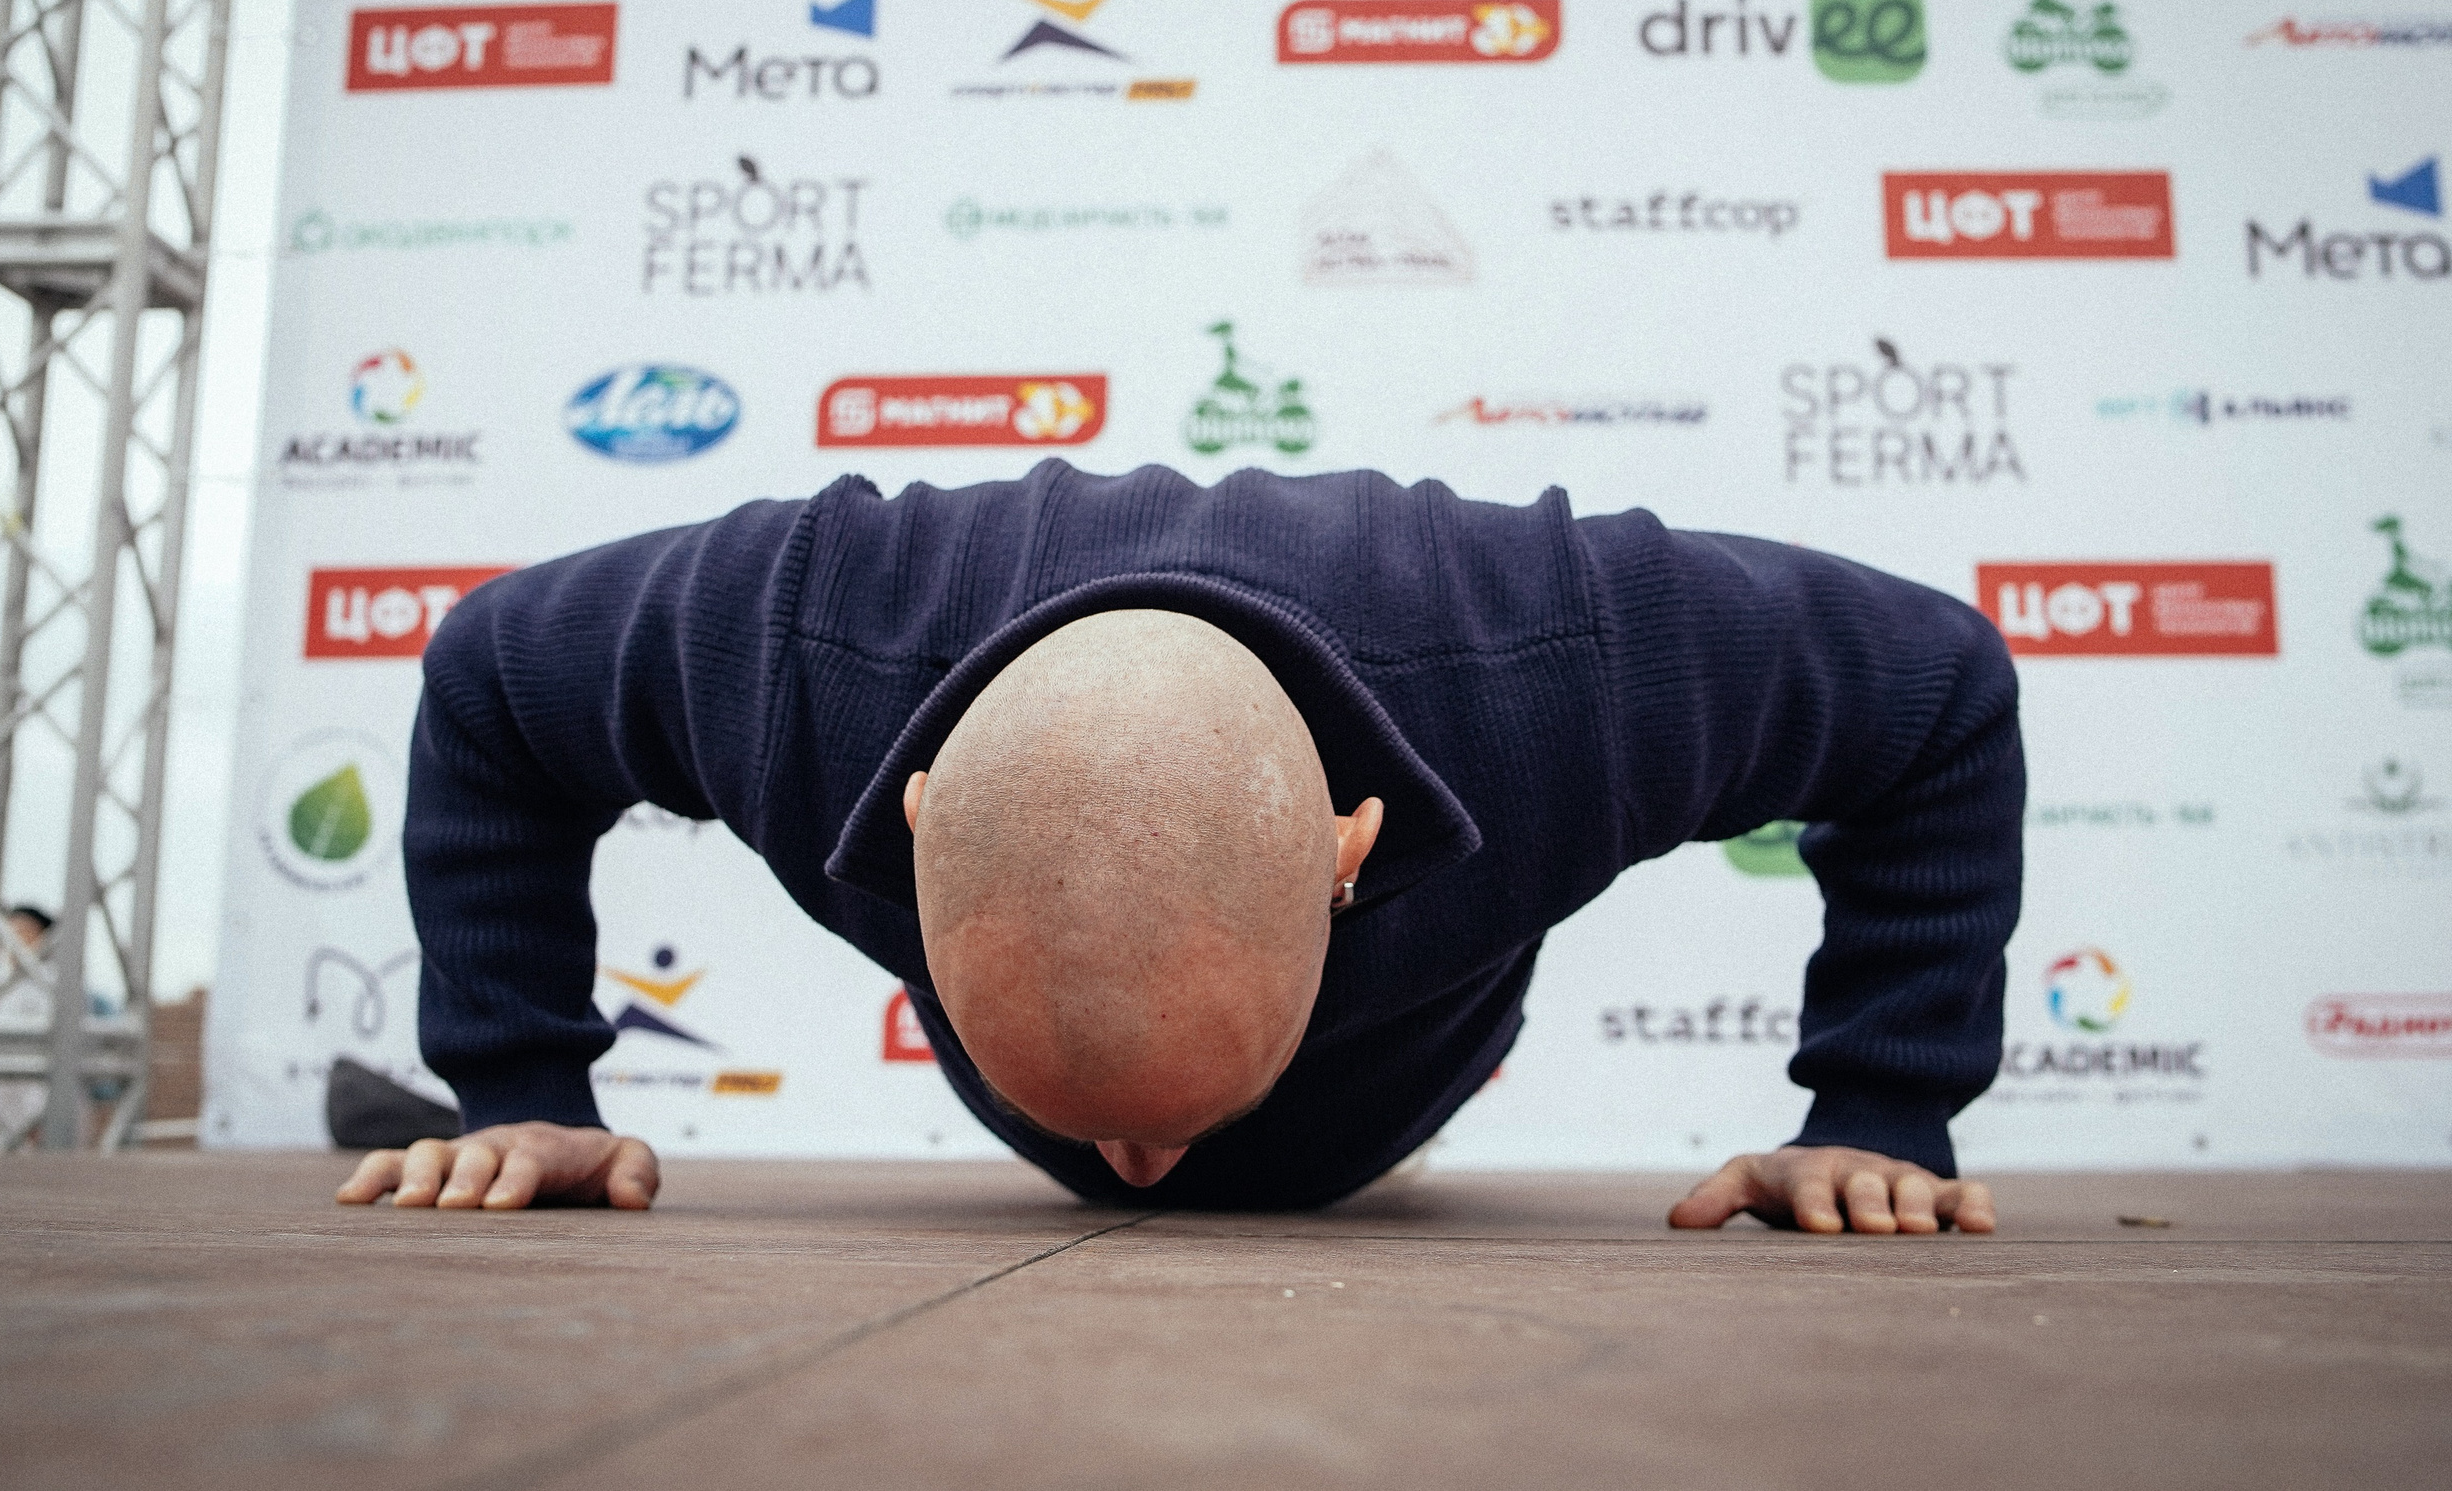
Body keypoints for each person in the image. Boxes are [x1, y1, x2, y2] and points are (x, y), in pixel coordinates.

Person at [339, 461, 2019, 1233]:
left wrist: (1878, 1109)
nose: (1145, 1182)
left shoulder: (1582, 668)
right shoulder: (784, 649)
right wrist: (520, 1092)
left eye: (1161, 1128)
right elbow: (489, 683)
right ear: (913, 821)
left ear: (1353, 849)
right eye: (1110, 1134)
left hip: (1400, 1060)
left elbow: (1940, 694)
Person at [0, 905, 55, 1152]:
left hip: (33, 1109)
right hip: (0, 1105)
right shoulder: (1, 987)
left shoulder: (50, 985)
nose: (12, 939)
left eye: (23, 932)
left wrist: (41, 1114)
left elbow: (53, 1053)